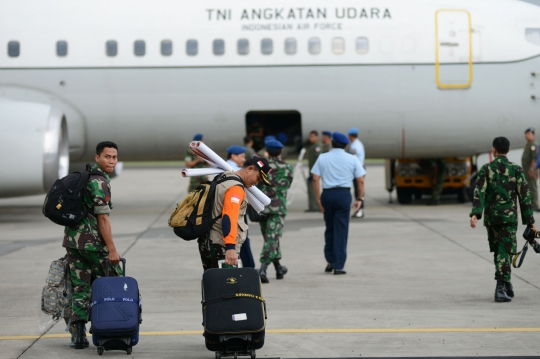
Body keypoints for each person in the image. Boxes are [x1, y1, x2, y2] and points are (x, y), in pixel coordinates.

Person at [63, 141, 122, 349]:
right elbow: (103, 219)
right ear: (97, 158)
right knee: (115, 282)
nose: (112, 161)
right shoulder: (99, 182)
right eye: (107, 157)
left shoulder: (85, 177)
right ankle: (107, 328)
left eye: (114, 157)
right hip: (93, 244)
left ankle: (78, 335)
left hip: (73, 242)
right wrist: (112, 249)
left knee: (81, 287)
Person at [470, 137, 536, 302]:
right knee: (503, 252)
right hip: (508, 219)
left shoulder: (486, 169)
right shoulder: (516, 169)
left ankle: (506, 284)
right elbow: (525, 198)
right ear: (509, 149)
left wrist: (476, 214)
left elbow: (479, 192)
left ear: (494, 150)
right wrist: (531, 222)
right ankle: (501, 288)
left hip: (492, 219)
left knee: (500, 252)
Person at [198, 157, 271, 271]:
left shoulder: (223, 177)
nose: (256, 183)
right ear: (249, 169)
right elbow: (229, 217)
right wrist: (230, 247)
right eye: (258, 178)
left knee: (213, 284)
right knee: (228, 285)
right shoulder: (236, 188)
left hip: (208, 240)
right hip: (221, 245)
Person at [311, 132, 365, 275]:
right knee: (341, 230)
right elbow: (360, 180)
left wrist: (318, 199)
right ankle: (339, 265)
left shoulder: (322, 157)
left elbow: (315, 178)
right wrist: (360, 199)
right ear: (346, 145)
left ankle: (330, 260)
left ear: (332, 143)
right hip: (343, 195)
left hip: (327, 195)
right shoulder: (352, 158)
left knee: (329, 228)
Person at [258, 140, 294, 283]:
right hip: (278, 207)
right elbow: (288, 185)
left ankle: (278, 267)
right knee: (272, 239)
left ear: (267, 151)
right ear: (281, 151)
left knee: (270, 238)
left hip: (262, 207)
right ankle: (263, 268)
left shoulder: (261, 167)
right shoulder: (287, 168)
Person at [225, 145, 256, 268]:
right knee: (242, 240)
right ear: (233, 156)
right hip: (235, 209)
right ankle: (250, 268)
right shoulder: (231, 169)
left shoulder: (230, 167)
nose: (244, 159)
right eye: (242, 156)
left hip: (237, 207)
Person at [348, 128, 366, 218]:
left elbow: (353, 159)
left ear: (351, 136)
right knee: (359, 189)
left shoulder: (354, 146)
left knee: (359, 190)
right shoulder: (359, 143)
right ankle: (359, 209)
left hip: (357, 170)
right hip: (360, 168)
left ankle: (360, 210)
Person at [522, 128, 539, 210]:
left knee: (532, 187)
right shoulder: (528, 144)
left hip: (530, 170)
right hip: (526, 170)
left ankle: (535, 205)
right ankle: (531, 204)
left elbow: (534, 159)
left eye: (528, 134)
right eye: (526, 134)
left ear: (533, 135)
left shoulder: (533, 145)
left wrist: (532, 169)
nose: (526, 136)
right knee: (529, 187)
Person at [305, 130, 322, 212]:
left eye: (312, 137)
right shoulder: (311, 146)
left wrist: (315, 172)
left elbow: (318, 160)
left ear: (316, 137)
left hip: (314, 172)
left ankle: (315, 206)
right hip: (312, 170)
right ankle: (312, 206)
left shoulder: (317, 147)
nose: (310, 138)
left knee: (313, 189)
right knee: (311, 189)